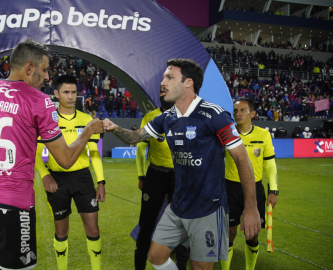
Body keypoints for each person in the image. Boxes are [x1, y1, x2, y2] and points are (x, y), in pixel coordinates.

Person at [0, 39, 103, 270]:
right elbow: (65, 160)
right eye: (44, 70)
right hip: (12, 205)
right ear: (29, 68)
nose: (47, 77)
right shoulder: (40, 101)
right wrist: (87, 132)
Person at [103, 58, 260, 270]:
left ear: (188, 83)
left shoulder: (214, 114)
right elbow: (135, 137)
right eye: (164, 77)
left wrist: (251, 208)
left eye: (169, 77)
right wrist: (112, 127)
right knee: (156, 256)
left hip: (208, 208)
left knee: (200, 267)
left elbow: (242, 159)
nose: (162, 82)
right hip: (177, 206)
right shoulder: (166, 118)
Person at [34, 75, 105, 270]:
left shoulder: (87, 120)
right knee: (61, 230)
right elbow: (36, 154)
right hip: (57, 180)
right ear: (56, 94)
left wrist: (101, 181)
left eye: (74, 92)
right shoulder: (47, 120)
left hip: (83, 178)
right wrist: (45, 175)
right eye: (66, 92)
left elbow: (94, 153)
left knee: (93, 228)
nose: (71, 96)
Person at [221, 97, 278, 270]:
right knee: (229, 233)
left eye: (242, 110)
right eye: (236, 110)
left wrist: (273, 190)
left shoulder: (263, 134)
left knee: (252, 234)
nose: (238, 114)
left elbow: (270, 163)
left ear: (252, 114)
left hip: (255, 190)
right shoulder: (226, 133)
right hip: (230, 188)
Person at [135, 89, 189, 270]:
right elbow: (141, 148)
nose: (164, 94)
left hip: (180, 176)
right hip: (155, 175)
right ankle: (139, 266)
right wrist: (141, 175)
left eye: (168, 91)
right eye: (162, 92)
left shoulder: (186, 117)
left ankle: (181, 265)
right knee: (146, 223)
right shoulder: (150, 117)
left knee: (182, 222)